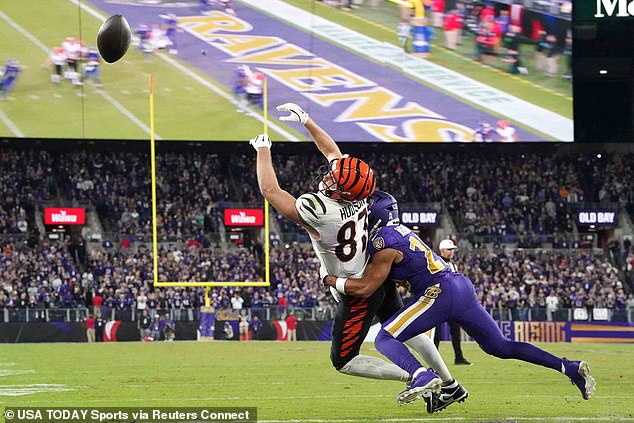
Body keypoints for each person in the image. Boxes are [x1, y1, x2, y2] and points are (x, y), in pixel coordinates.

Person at [251, 103, 455, 399]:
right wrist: (307, 121)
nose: (328, 176)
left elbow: (271, 191)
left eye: (333, 179)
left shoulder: (321, 210)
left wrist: (262, 149)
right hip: (375, 274)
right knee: (403, 327)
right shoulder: (360, 196)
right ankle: (449, 382)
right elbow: (334, 154)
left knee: (344, 360)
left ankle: (417, 374)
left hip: (357, 288)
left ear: (343, 191)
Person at [324, 191, 596, 412]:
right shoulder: (401, 231)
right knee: (500, 346)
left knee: (385, 338)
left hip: (438, 292)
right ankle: (568, 367)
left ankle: (421, 374)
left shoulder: (382, 241)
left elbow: (367, 286)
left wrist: (331, 280)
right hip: (459, 286)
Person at [432, 239, 471, 366]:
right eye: (449, 250)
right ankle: (433, 361)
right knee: (436, 335)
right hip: (440, 303)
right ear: (442, 250)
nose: (451, 252)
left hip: (451, 303)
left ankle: (458, 357)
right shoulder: (437, 262)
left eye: (452, 250)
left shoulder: (453, 265)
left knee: (455, 331)